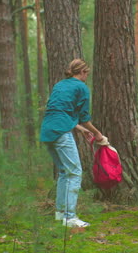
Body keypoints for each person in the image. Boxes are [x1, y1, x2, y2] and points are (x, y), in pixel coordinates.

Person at [40, 59, 104, 228]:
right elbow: (84, 117)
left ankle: (60, 214)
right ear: (82, 73)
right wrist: (98, 134)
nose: (87, 77)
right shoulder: (81, 87)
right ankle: (70, 218)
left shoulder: (59, 85)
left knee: (63, 172)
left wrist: (80, 129)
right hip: (61, 132)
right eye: (87, 74)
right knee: (75, 172)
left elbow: (58, 111)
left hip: (47, 130)